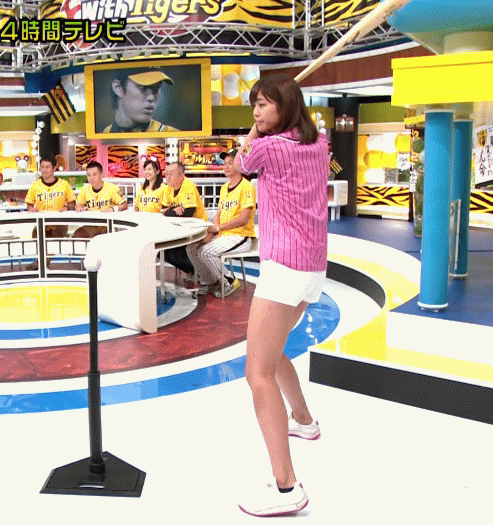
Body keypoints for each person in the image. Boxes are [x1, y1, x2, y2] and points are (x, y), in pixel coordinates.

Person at [235, 73, 329, 517]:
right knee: (272, 355)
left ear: (285, 107)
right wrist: (272, 117)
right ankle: (304, 421)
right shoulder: (320, 143)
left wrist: (255, 131)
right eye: (254, 105)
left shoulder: (269, 148)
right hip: (312, 268)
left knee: (256, 373)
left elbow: (242, 162)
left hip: (283, 267)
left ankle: (287, 486)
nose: (256, 112)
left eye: (264, 105)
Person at [186, 148, 256, 297]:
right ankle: (209, 282)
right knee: (191, 249)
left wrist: (218, 228)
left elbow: (243, 219)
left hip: (240, 236)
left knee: (206, 252)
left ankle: (229, 280)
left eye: (231, 162)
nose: (226, 166)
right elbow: (219, 213)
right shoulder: (224, 188)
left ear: (240, 164)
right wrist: (212, 232)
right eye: (224, 163)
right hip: (223, 235)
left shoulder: (247, 187)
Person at [25, 154, 76, 269]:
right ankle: (42, 264)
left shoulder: (64, 184)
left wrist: (67, 208)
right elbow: (29, 204)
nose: (44, 170)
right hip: (42, 223)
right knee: (36, 234)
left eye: (47, 167)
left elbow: (72, 203)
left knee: (54, 237)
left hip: (59, 223)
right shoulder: (35, 185)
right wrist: (32, 209)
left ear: (54, 168)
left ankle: (41, 264)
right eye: (42, 167)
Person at [160, 161, 208, 278]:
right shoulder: (168, 187)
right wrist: (173, 209)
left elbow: (188, 213)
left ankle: (200, 272)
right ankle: (191, 270)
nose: (167, 176)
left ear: (181, 176)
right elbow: (163, 209)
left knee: (174, 250)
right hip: (179, 228)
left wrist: (169, 210)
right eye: (166, 173)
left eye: (171, 173)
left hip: (197, 229)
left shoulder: (188, 185)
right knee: (162, 250)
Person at [102, 69, 178, 133]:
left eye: (157, 88)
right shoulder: (104, 133)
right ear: (118, 87)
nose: (151, 98)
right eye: (143, 87)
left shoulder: (171, 134)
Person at [73, 160, 128, 238]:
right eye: (89, 175)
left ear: (101, 174)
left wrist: (113, 209)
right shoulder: (85, 190)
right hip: (92, 224)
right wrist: (78, 207)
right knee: (77, 234)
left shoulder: (112, 188)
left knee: (104, 237)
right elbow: (78, 204)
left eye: (94, 175)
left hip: (108, 224)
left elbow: (124, 205)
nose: (91, 178)